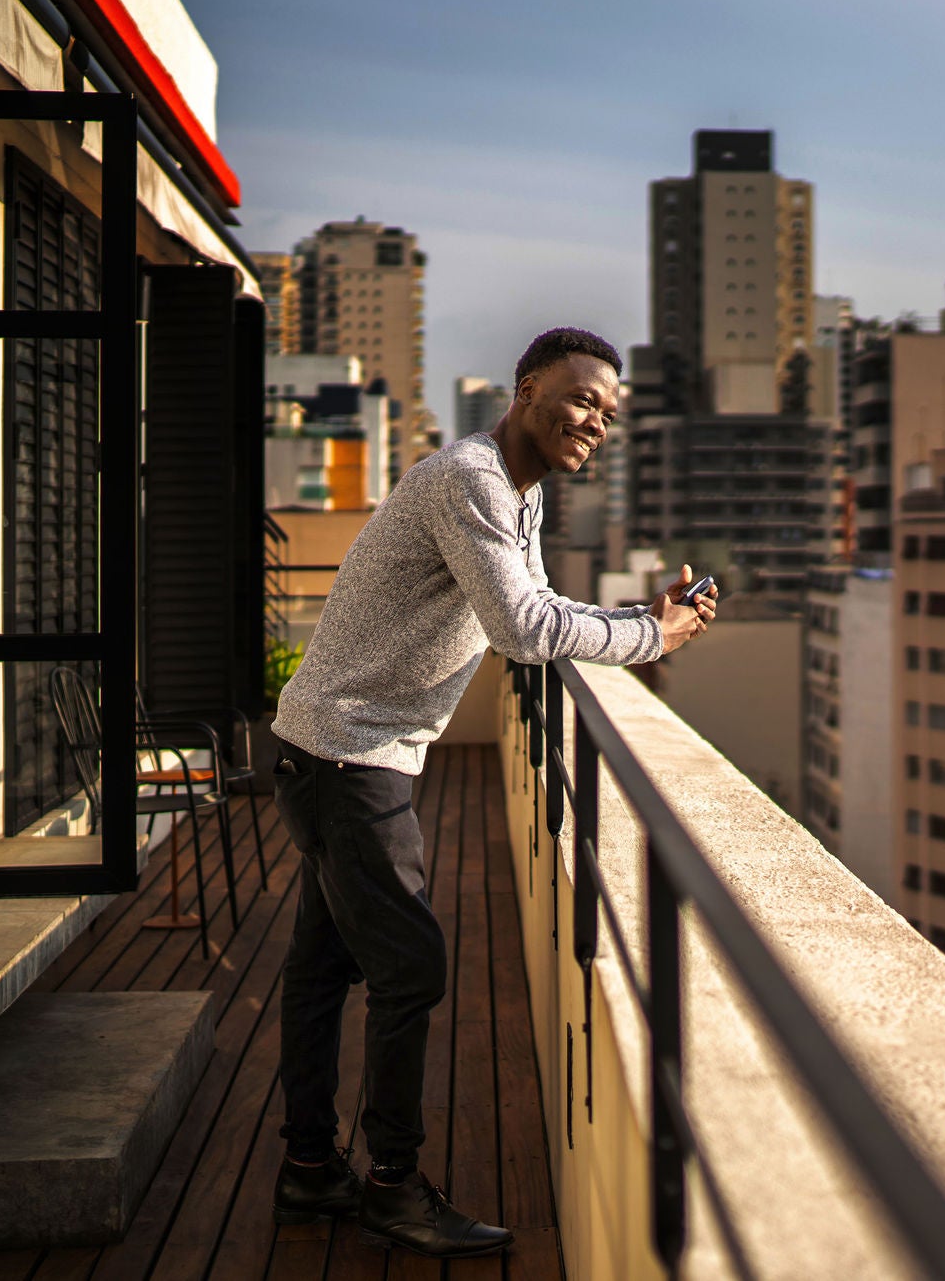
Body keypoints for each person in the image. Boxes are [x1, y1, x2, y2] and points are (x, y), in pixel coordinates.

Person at [266, 327, 718, 1258]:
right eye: (583, 397)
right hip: (351, 755)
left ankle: (309, 1169)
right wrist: (651, 634)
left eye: (610, 410)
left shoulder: (523, 490)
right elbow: (520, 627)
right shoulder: (470, 475)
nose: (598, 420)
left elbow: (536, 606)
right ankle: (389, 1184)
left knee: (322, 967)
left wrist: (643, 623)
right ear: (525, 390)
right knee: (412, 967)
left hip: (333, 747)